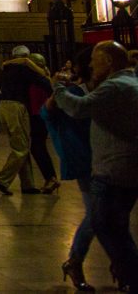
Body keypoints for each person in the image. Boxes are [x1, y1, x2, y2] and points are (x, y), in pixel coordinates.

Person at [51, 40, 138, 292]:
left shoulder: (114, 87)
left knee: (103, 224)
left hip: (112, 169)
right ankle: (124, 270)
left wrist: (57, 86)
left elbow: (78, 109)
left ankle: (129, 272)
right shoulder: (130, 83)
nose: (91, 64)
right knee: (117, 225)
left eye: (95, 60)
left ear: (109, 61)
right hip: (124, 166)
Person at [42, 47, 95, 292]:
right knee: (98, 214)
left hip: (110, 158)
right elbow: (49, 113)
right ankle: (76, 260)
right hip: (89, 160)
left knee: (111, 216)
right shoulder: (74, 92)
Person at [0, 46, 53, 195]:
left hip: (4, 106)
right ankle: (2, 179)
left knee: (21, 143)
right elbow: (45, 82)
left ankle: (28, 184)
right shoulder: (23, 69)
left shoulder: (6, 69)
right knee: (21, 149)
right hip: (17, 106)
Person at [27, 53, 61, 193]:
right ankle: (50, 177)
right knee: (38, 146)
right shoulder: (45, 77)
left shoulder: (37, 79)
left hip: (37, 115)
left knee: (37, 147)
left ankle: (50, 178)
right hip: (41, 115)